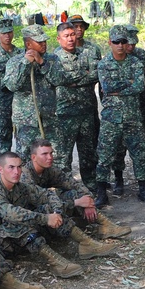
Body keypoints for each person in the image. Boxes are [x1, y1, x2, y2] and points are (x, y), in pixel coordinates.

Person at [0, 152, 117, 279]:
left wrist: (56, 212)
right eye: (11, 167)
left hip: (21, 236)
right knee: (16, 222)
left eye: (19, 167)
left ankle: (86, 244)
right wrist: (46, 219)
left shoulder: (19, 186)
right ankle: (55, 262)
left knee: (47, 208)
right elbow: (12, 214)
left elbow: (47, 195)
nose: (16, 172)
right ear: (0, 170)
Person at [94, 26, 145, 206]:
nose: (120, 45)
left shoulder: (136, 63)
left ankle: (143, 189)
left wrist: (120, 86)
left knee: (139, 154)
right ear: (110, 43)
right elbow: (107, 88)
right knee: (105, 156)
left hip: (133, 117)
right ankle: (101, 193)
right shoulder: (104, 64)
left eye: (123, 42)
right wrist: (127, 83)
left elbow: (139, 87)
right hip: (111, 119)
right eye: (116, 42)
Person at [29, 138, 131, 238]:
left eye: (51, 153)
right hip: (31, 217)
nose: (50, 157)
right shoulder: (25, 176)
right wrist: (76, 203)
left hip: (46, 209)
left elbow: (74, 184)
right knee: (53, 208)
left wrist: (87, 200)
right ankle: (85, 241)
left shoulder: (50, 170)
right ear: (33, 157)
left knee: (75, 194)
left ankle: (107, 225)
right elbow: (42, 202)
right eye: (44, 154)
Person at [51, 22, 99, 189]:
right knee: (63, 157)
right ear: (59, 39)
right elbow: (59, 79)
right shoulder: (54, 58)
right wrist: (83, 76)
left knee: (89, 154)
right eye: (66, 36)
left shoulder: (85, 53)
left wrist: (73, 79)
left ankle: (91, 189)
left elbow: (96, 74)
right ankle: (66, 191)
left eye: (72, 35)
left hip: (87, 112)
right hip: (65, 115)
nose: (71, 38)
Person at [113, 25, 145, 195]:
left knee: (144, 141)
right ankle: (118, 178)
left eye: (133, 44)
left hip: (141, 105)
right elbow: (107, 88)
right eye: (127, 43)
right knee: (118, 145)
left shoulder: (139, 55)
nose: (130, 47)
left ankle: (144, 179)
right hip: (119, 108)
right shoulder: (113, 58)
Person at [3, 25, 60, 158]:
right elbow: (12, 85)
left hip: (49, 119)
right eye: (39, 42)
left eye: (44, 41)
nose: (44, 44)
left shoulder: (52, 59)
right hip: (26, 122)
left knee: (54, 158)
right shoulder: (15, 62)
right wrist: (26, 64)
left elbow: (59, 80)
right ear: (28, 44)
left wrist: (42, 63)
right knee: (25, 158)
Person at [0, 18, 23, 150]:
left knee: (23, 133)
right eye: (3, 33)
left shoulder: (21, 53)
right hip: (4, 99)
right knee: (4, 132)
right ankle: (5, 163)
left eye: (10, 32)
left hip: (22, 99)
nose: (7, 36)